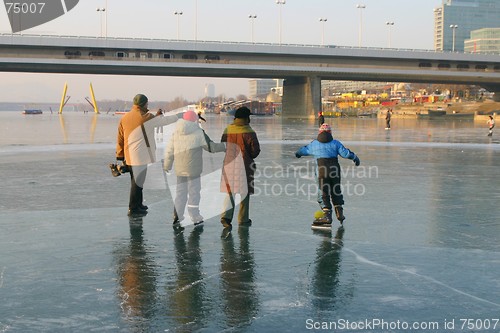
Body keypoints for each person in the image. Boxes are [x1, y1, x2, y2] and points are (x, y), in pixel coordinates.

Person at [116, 94, 180, 217]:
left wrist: (120, 155)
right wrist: (178, 116)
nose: (148, 105)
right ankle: (133, 208)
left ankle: (138, 204)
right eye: (147, 103)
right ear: (143, 104)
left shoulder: (125, 118)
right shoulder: (145, 116)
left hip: (129, 155)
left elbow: (120, 137)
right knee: (137, 183)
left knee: (136, 181)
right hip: (140, 156)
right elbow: (163, 121)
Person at [163, 110, 225, 225]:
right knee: (194, 192)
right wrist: (225, 146)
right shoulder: (198, 132)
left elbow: (169, 151)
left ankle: (177, 214)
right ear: (194, 120)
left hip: (180, 170)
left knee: (180, 192)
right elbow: (211, 147)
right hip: (193, 170)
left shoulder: (176, 132)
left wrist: (167, 165)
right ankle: (194, 215)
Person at [295, 123, 360, 225]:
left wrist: (298, 154)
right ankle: (339, 212)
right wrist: (355, 158)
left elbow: (304, 150)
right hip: (335, 171)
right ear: (330, 132)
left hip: (321, 171)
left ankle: (327, 216)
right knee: (336, 190)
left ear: (319, 132)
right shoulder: (336, 143)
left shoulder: (314, 144)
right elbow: (345, 153)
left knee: (323, 192)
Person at [220, 106, 261, 228]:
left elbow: (223, 144)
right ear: (246, 118)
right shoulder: (249, 132)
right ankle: (243, 219)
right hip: (244, 165)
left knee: (230, 192)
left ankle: (226, 217)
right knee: (244, 193)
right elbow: (255, 151)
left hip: (229, 164)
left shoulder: (228, 129)